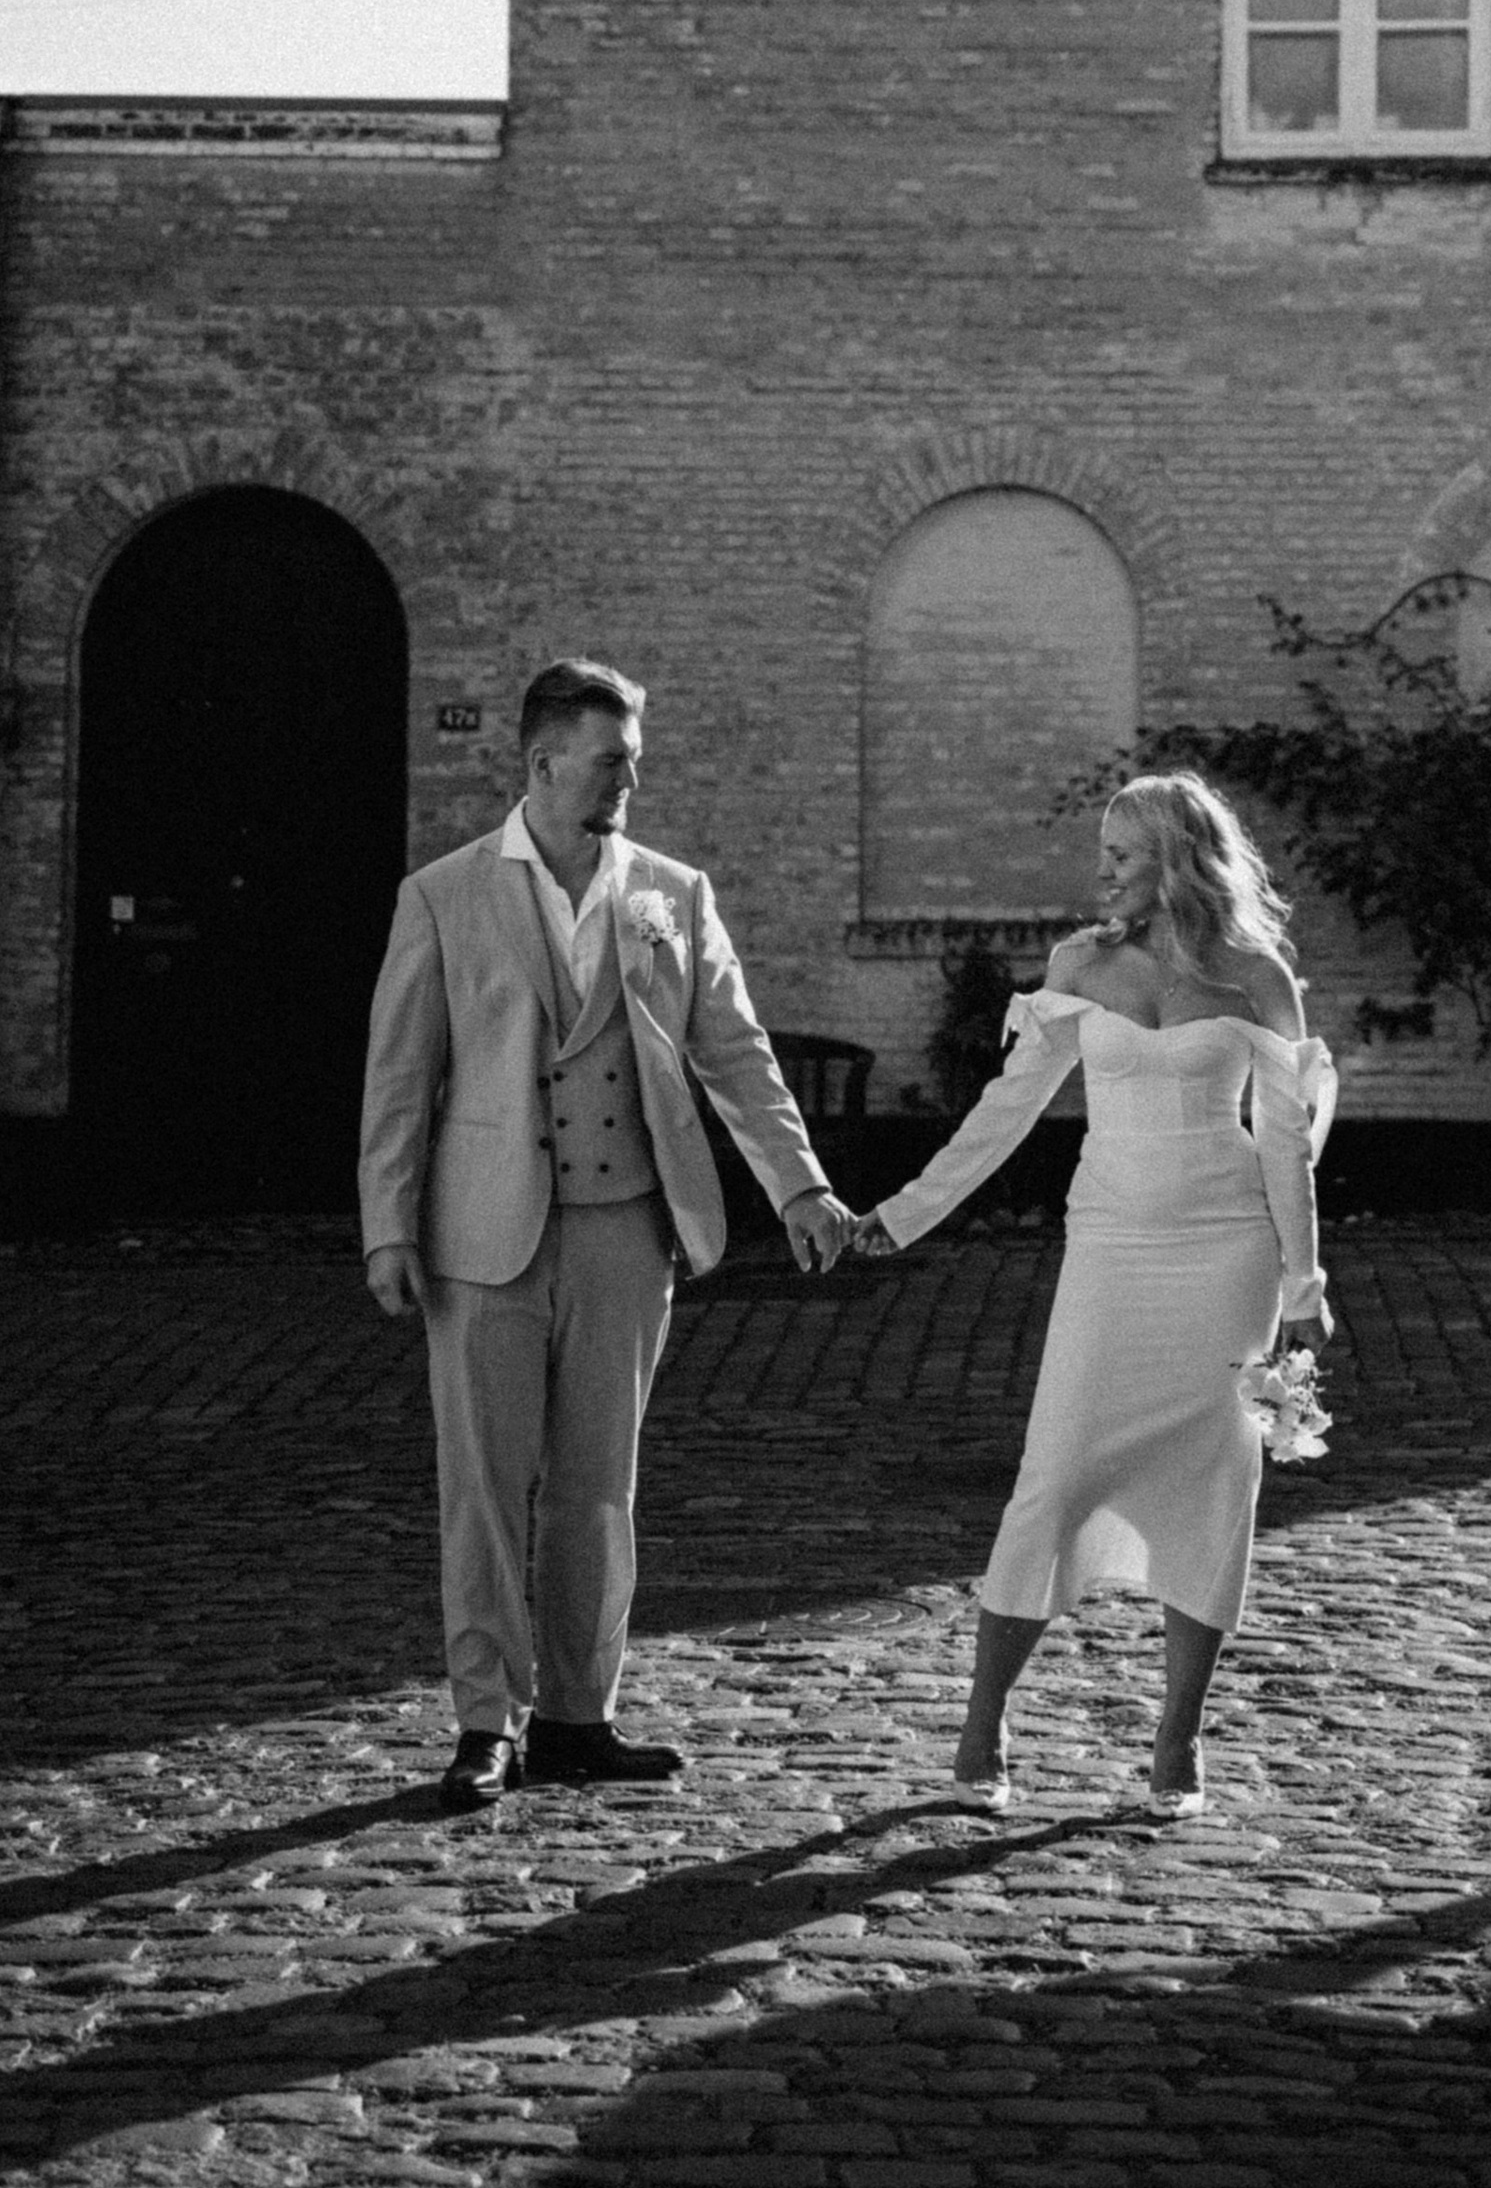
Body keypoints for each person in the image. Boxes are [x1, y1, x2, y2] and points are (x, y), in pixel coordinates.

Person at [360, 656, 858, 1810]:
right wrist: (387, 1222)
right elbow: (399, 1076)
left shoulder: (670, 893)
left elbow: (734, 1049)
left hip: (627, 1230)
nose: (630, 781)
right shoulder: (442, 893)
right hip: (481, 1233)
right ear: (542, 763)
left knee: (596, 1483)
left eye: (634, 761)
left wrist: (799, 1184)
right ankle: (486, 1721)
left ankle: (579, 1716)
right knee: (484, 1486)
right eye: (611, 761)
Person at [852, 769, 1335, 1818]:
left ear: (1177, 861)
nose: (1101, 872)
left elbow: (1286, 1142)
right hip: (1112, 1244)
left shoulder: (1256, 975)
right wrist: (904, 1211)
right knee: (1053, 1472)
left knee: (1217, 1480)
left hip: (1228, 1251)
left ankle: (1178, 1737)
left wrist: (1304, 1283)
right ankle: (984, 1718)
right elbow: (1005, 1110)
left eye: (1121, 854)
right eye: (1102, 854)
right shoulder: (1079, 964)